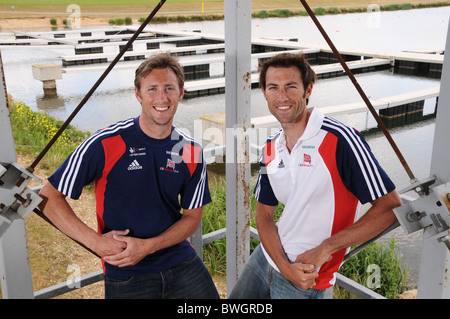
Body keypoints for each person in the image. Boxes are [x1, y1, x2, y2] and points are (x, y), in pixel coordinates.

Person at [38, 52, 219, 299]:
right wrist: (95, 242)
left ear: (181, 93)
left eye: (169, 88)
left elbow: (192, 219)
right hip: (126, 269)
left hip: (180, 261)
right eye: (152, 89)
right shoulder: (104, 142)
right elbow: (48, 198)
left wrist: (147, 247)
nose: (162, 97)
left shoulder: (191, 151)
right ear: (138, 94)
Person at [229, 52, 402, 299]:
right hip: (266, 259)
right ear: (264, 93)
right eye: (273, 88)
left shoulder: (340, 139)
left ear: (308, 89)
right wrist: (281, 263)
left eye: (291, 86)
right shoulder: (270, 146)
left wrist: (326, 249)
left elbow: (390, 207)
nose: (282, 97)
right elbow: (264, 215)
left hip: (307, 274)